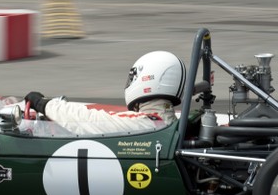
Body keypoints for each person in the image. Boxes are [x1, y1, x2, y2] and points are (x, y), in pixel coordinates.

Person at [24, 51, 186, 135]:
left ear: (147, 79)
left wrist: (45, 104)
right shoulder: (170, 121)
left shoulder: (147, 123)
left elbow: (90, 119)